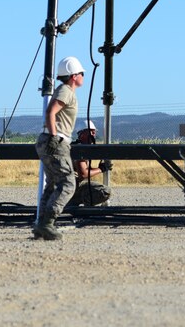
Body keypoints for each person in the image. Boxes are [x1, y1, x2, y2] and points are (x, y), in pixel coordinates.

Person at [33, 56, 84, 240]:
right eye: (81, 74)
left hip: (47, 140)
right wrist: (55, 137)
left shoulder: (65, 90)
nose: (83, 77)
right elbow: (51, 112)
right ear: (73, 76)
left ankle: (41, 224)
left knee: (53, 183)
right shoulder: (66, 91)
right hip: (56, 140)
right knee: (68, 183)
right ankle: (47, 223)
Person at [66, 120, 113, 207]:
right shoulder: (79, 149)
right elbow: (83, 174)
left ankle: (73, 204)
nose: (93, 134)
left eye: (94, 132)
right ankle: (81, 208)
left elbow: (84, 171)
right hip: (71, 187)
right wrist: (101, 169)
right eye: (90, 131)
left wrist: (99, 168)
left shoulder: (81, 147)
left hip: (71, 187)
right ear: (82, 134)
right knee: (104, 191)